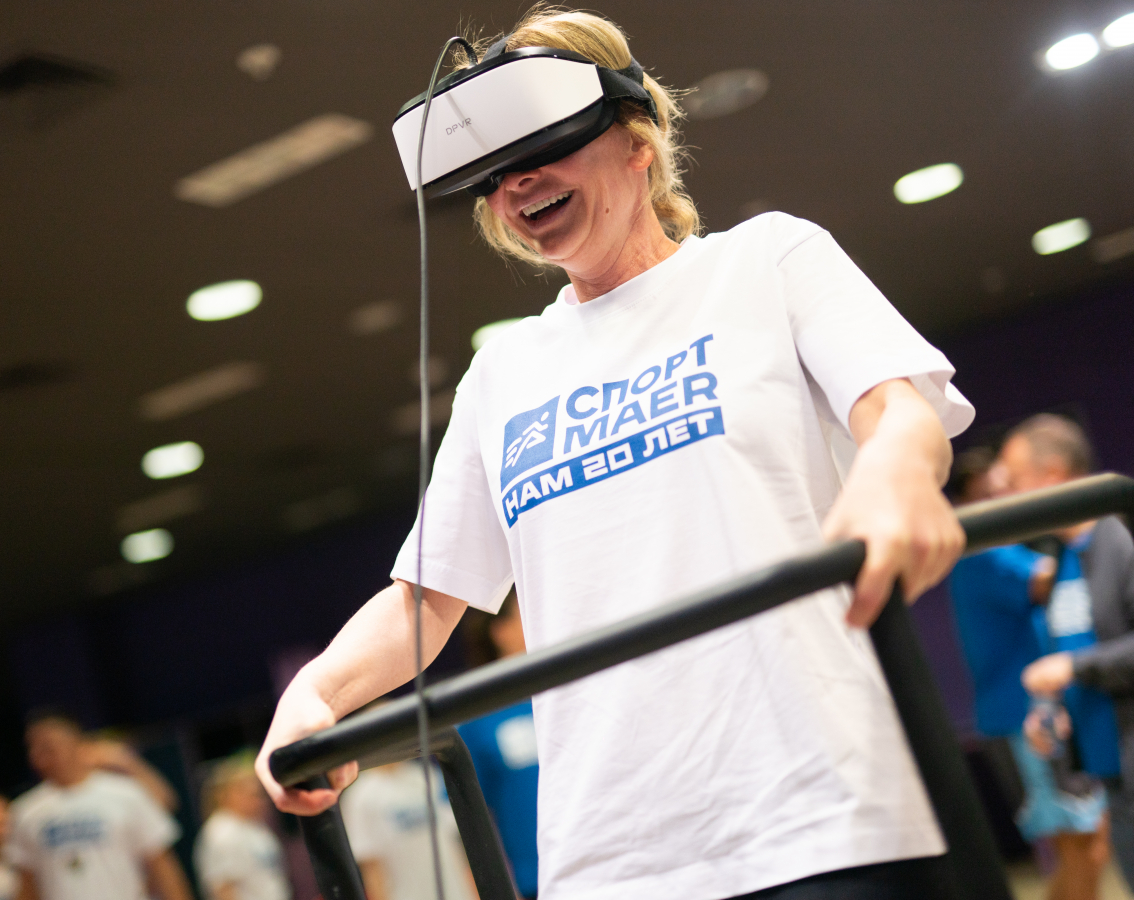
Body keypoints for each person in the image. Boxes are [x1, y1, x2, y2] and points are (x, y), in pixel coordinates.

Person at [256, 8, 976, 899]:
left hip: (822, 817)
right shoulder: (504, 372)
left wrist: (895, 475)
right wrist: (317, 695)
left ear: (637, 142)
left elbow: (897, 409)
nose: (518, 186)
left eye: (542, 147)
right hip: (612, 859)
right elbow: (427, 598)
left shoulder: (766, 261)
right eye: (493, 174)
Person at [1000, 414, 1134, 888]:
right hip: (1111, 776)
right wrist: (1050, 710)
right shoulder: (1061, 560)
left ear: (1053, 474)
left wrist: (1072, 667)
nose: (1008, 495)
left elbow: (1079, 660)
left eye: (1015, 479)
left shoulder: (1121, 540)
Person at [7, 709, 192, 900]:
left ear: (75, 743)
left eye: (48, 747)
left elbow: (162, 864)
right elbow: (27, 883)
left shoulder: (125, 793)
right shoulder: (25, 811)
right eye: (33, 748)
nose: (39, 756)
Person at [457, 593, 539, 899]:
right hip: (533, 882)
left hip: (606, 863)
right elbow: (468, 818)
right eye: (526, 616)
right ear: (500, 631)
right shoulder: (478, 716)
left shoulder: (570, 692)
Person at [338, 760, 476, 900]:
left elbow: (454, 843)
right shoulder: (360, 795)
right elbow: (370, 866)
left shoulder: (427, 775)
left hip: (456, 893)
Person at [194, 755, 291, 900]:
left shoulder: (255, 826)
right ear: (225, 793)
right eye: (246, 790)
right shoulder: (221, 831)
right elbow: (222, 888)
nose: (257, 798)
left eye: (258, 793)